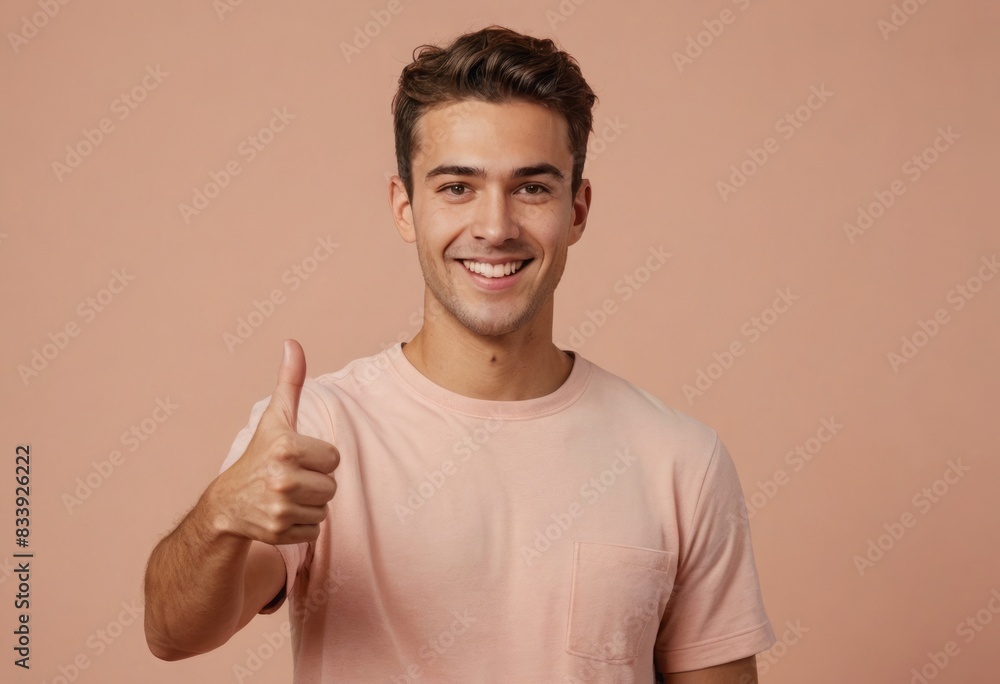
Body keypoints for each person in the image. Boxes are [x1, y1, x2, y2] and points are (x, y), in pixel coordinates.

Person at [143, 25, 776, 682]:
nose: (495, 227)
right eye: (456, 188)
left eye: (532, 187)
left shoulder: (679, 461)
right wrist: (219, 516)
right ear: (405, 208)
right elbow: (173, 632)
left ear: (578, 209)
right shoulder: (318, 434)